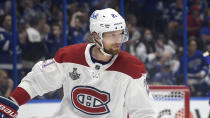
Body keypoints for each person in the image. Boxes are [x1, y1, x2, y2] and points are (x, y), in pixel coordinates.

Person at [0, 8, 156, 118]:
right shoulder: (70, 56)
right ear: (96, 37)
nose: (118, 41)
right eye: (111, 35)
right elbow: (37, 81)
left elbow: (144, 111)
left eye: (120, 34)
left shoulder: (131, 68)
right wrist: (14, 101)